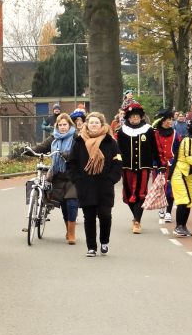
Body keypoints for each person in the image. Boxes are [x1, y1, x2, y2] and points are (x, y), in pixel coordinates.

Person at [67, 112, 122, 257]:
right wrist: (77, 179)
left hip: (105, 186)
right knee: (89, 217)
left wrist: (111, 179)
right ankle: (91, 247)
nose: (94, 125)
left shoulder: (110, 142)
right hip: (86, 185)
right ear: (87, 124)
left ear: (102, 124)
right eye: (91, 122)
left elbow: (118, 163)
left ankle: (104, 241)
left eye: (97, 122)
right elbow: (71, 163)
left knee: (105, 216)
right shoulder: (79, 142)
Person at [31, 113, 79, 244]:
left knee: (72, 203)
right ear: (57, 126)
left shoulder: (76, 137)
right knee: (63, 204)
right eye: (60, 125)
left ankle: (72, 233)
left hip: (72, 175)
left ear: (70, 125)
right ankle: (68, 230)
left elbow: (81, 153)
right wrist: (30, 150)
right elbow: (42, 147)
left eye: (65, 125)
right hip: (58, 175)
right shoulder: (54, 137)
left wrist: (69, 155)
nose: (63, 127)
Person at [116, 102, 156, 233]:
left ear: (141, 117)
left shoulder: (149, 130)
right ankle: (135, 217)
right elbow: (118, 150)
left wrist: (158, 164)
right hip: (126, 167)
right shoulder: (122, 131)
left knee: (140, 193)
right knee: (128, 194)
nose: (135, 119)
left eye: (137, 117)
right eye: (132, 117)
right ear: (128, 117)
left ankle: (137, 221)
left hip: (144, 166)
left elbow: (154, 147)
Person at [152, 108, 181, 223]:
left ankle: (168, 212)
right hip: (158, 165)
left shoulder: (175, 134)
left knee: (171, 189)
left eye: (171, 119)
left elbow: (179, 148)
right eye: (168, 119)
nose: (170, 121)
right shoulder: (155, 133)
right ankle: (161, 208)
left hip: (172, 165)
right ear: (162, 120)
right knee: (160, 188)